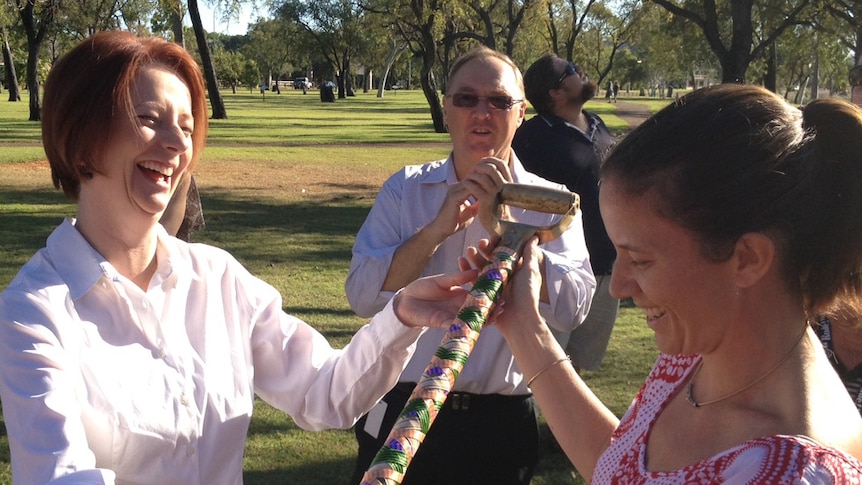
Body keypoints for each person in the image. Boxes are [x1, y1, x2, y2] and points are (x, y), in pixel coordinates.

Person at [0, 31, 466, 485]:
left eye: (186, 127)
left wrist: (402, 315)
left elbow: (324, 393)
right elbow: (60, 473)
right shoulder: (35, 313)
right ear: (84, 138)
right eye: (149, 118)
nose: (178, 144)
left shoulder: (217, 277)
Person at [396, 84, 862, 482]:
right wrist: (523, 325)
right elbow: (621, 467)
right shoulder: (692, 361)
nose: (617, 286)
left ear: (748, 258)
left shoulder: (792, 472)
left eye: (639, 259)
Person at [345, 46, 595, 484]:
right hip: (403, 405)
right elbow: (362, 295)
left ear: (520, 115)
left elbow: (574, 306)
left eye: (499, 101)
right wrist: (435, 230)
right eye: (467, 98)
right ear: (447, 110)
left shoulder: (551, 201)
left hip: (499, 425)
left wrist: (505, 232)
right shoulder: (405, 190)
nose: (483, 112)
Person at [512, 54, 618, 373]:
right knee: (546, 366)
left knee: (582, 364)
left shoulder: (598, 125)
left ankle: (563, 426)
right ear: (555, 93)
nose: (581, 73)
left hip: (606, 267)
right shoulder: (532, 138)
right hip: (559, 270)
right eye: (572, 72)